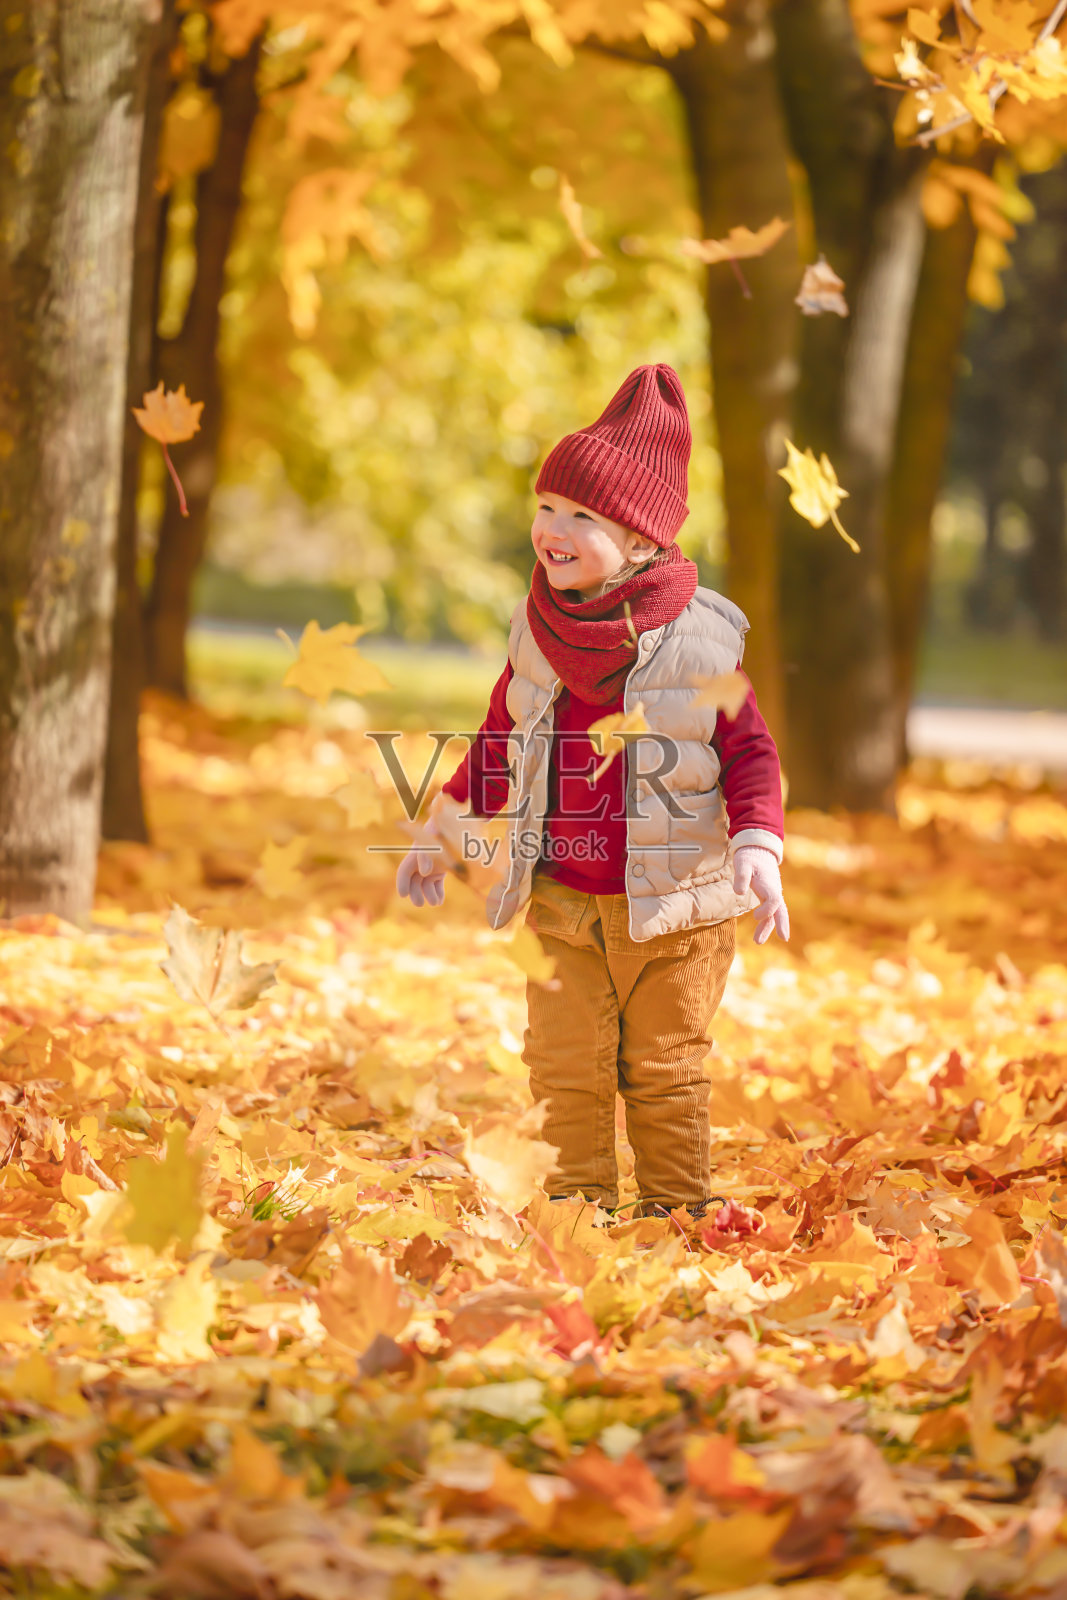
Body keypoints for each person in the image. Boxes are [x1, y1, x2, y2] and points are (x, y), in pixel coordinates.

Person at [396, 364, 788, 1220]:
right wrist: (444, 826)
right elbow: (499, 741)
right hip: (563, 901)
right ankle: (578, 1216)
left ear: (643, 542)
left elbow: (750, 752)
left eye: (583, 516)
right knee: (564, 1067)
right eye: (547, 506)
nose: (553, 529)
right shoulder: (538, 632)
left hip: (676, 913)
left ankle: (675, 1218)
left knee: (663, 1072)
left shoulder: (699, 648)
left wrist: (758, 844)